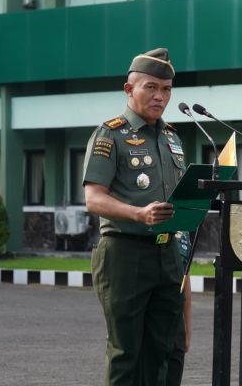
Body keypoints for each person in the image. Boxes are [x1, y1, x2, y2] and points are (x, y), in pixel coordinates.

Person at [83, 47, 187, 386]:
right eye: (151, 87)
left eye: (166, 89)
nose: (160, 96)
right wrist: (139, 214)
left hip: (167, 253)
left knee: (163, 351)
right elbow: (94, 198)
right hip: (124, 254)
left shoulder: (172, 137)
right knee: (126, 353)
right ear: (129, 89)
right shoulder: (110, 134)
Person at [166, 231, 192, 386]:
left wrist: (187, 327)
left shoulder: (184, 231)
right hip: (150, 316)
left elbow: (185, 276)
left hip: (175, 319)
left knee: (173, 376)